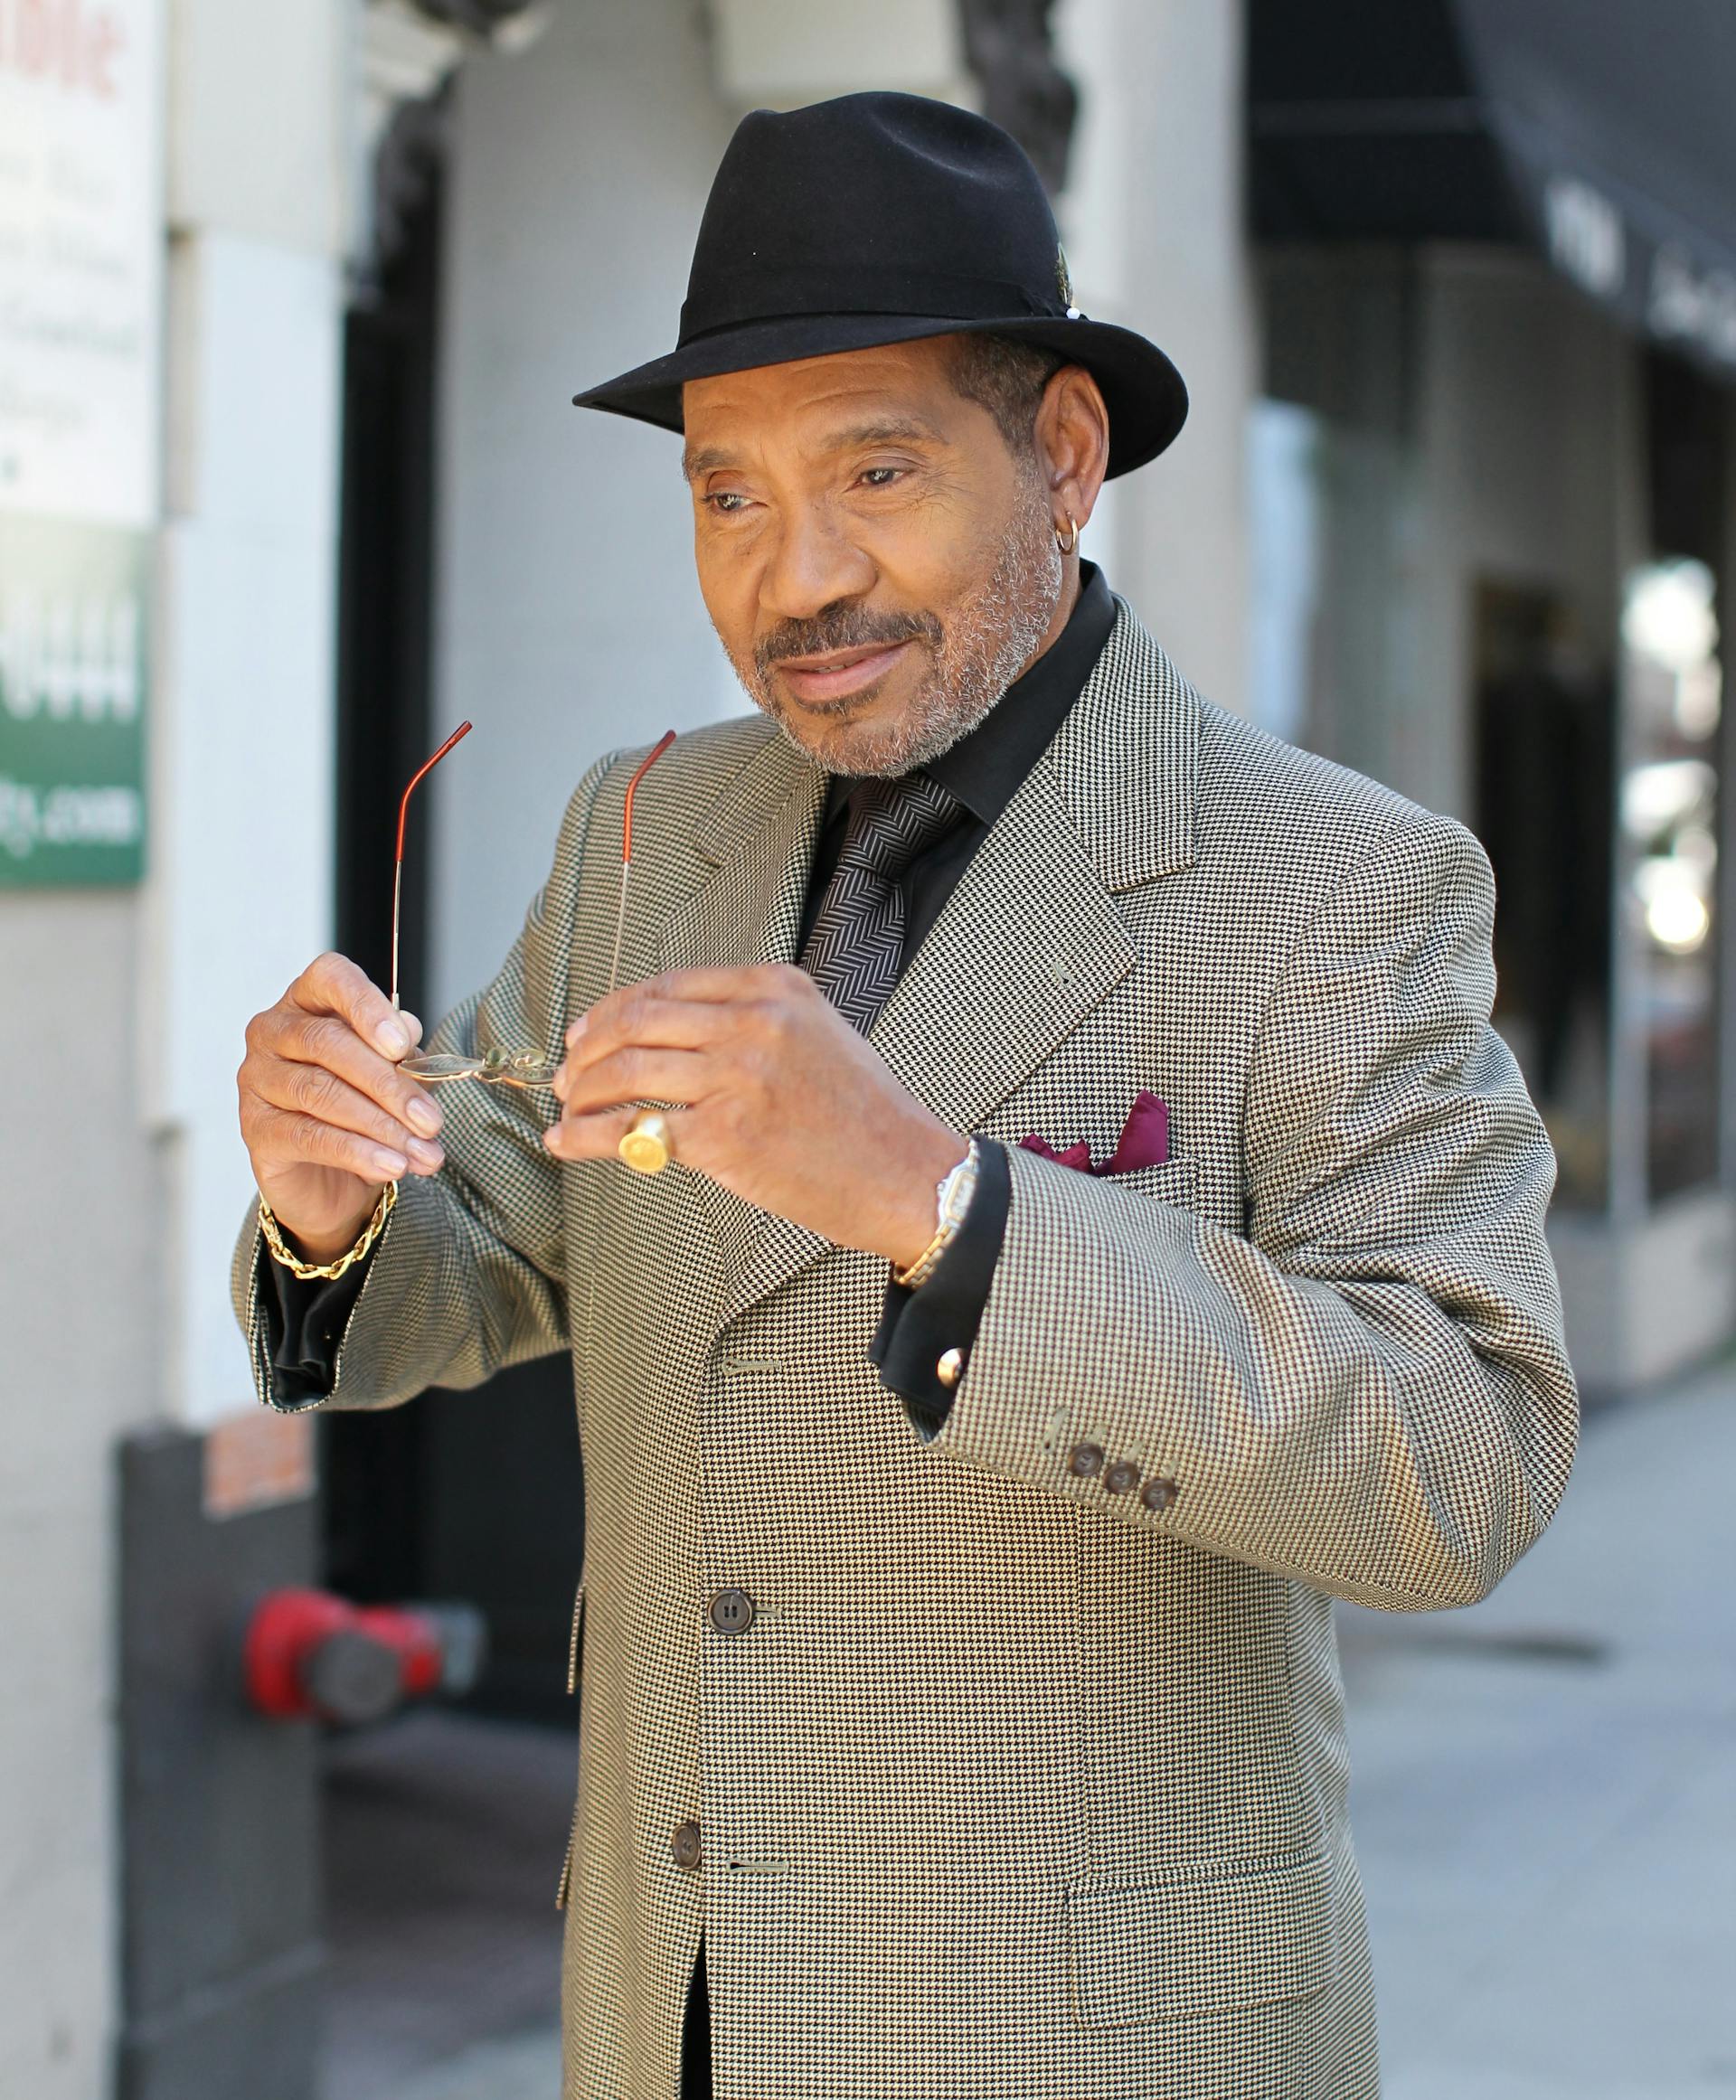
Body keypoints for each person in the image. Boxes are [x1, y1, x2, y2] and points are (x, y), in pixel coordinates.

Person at [233, 92, 1578, 2100]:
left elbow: (1459, 1455)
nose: (801, 578)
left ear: (1061, 453)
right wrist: (330, 1205)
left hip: (1088, 2039)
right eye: (728, 497)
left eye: (876, 469)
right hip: (671, 2016)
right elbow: (494, 1242)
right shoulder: (643, 826)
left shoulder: (1338, 882)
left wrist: (946, 1206)